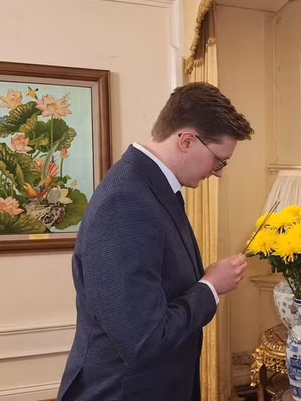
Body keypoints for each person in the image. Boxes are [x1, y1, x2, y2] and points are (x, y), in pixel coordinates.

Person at [57, 82, 253, 400]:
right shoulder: (125, 202)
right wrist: (210, 288)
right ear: (187, 140)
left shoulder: (153, 187)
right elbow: (143, 341)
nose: (218, 173)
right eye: (219, 160)